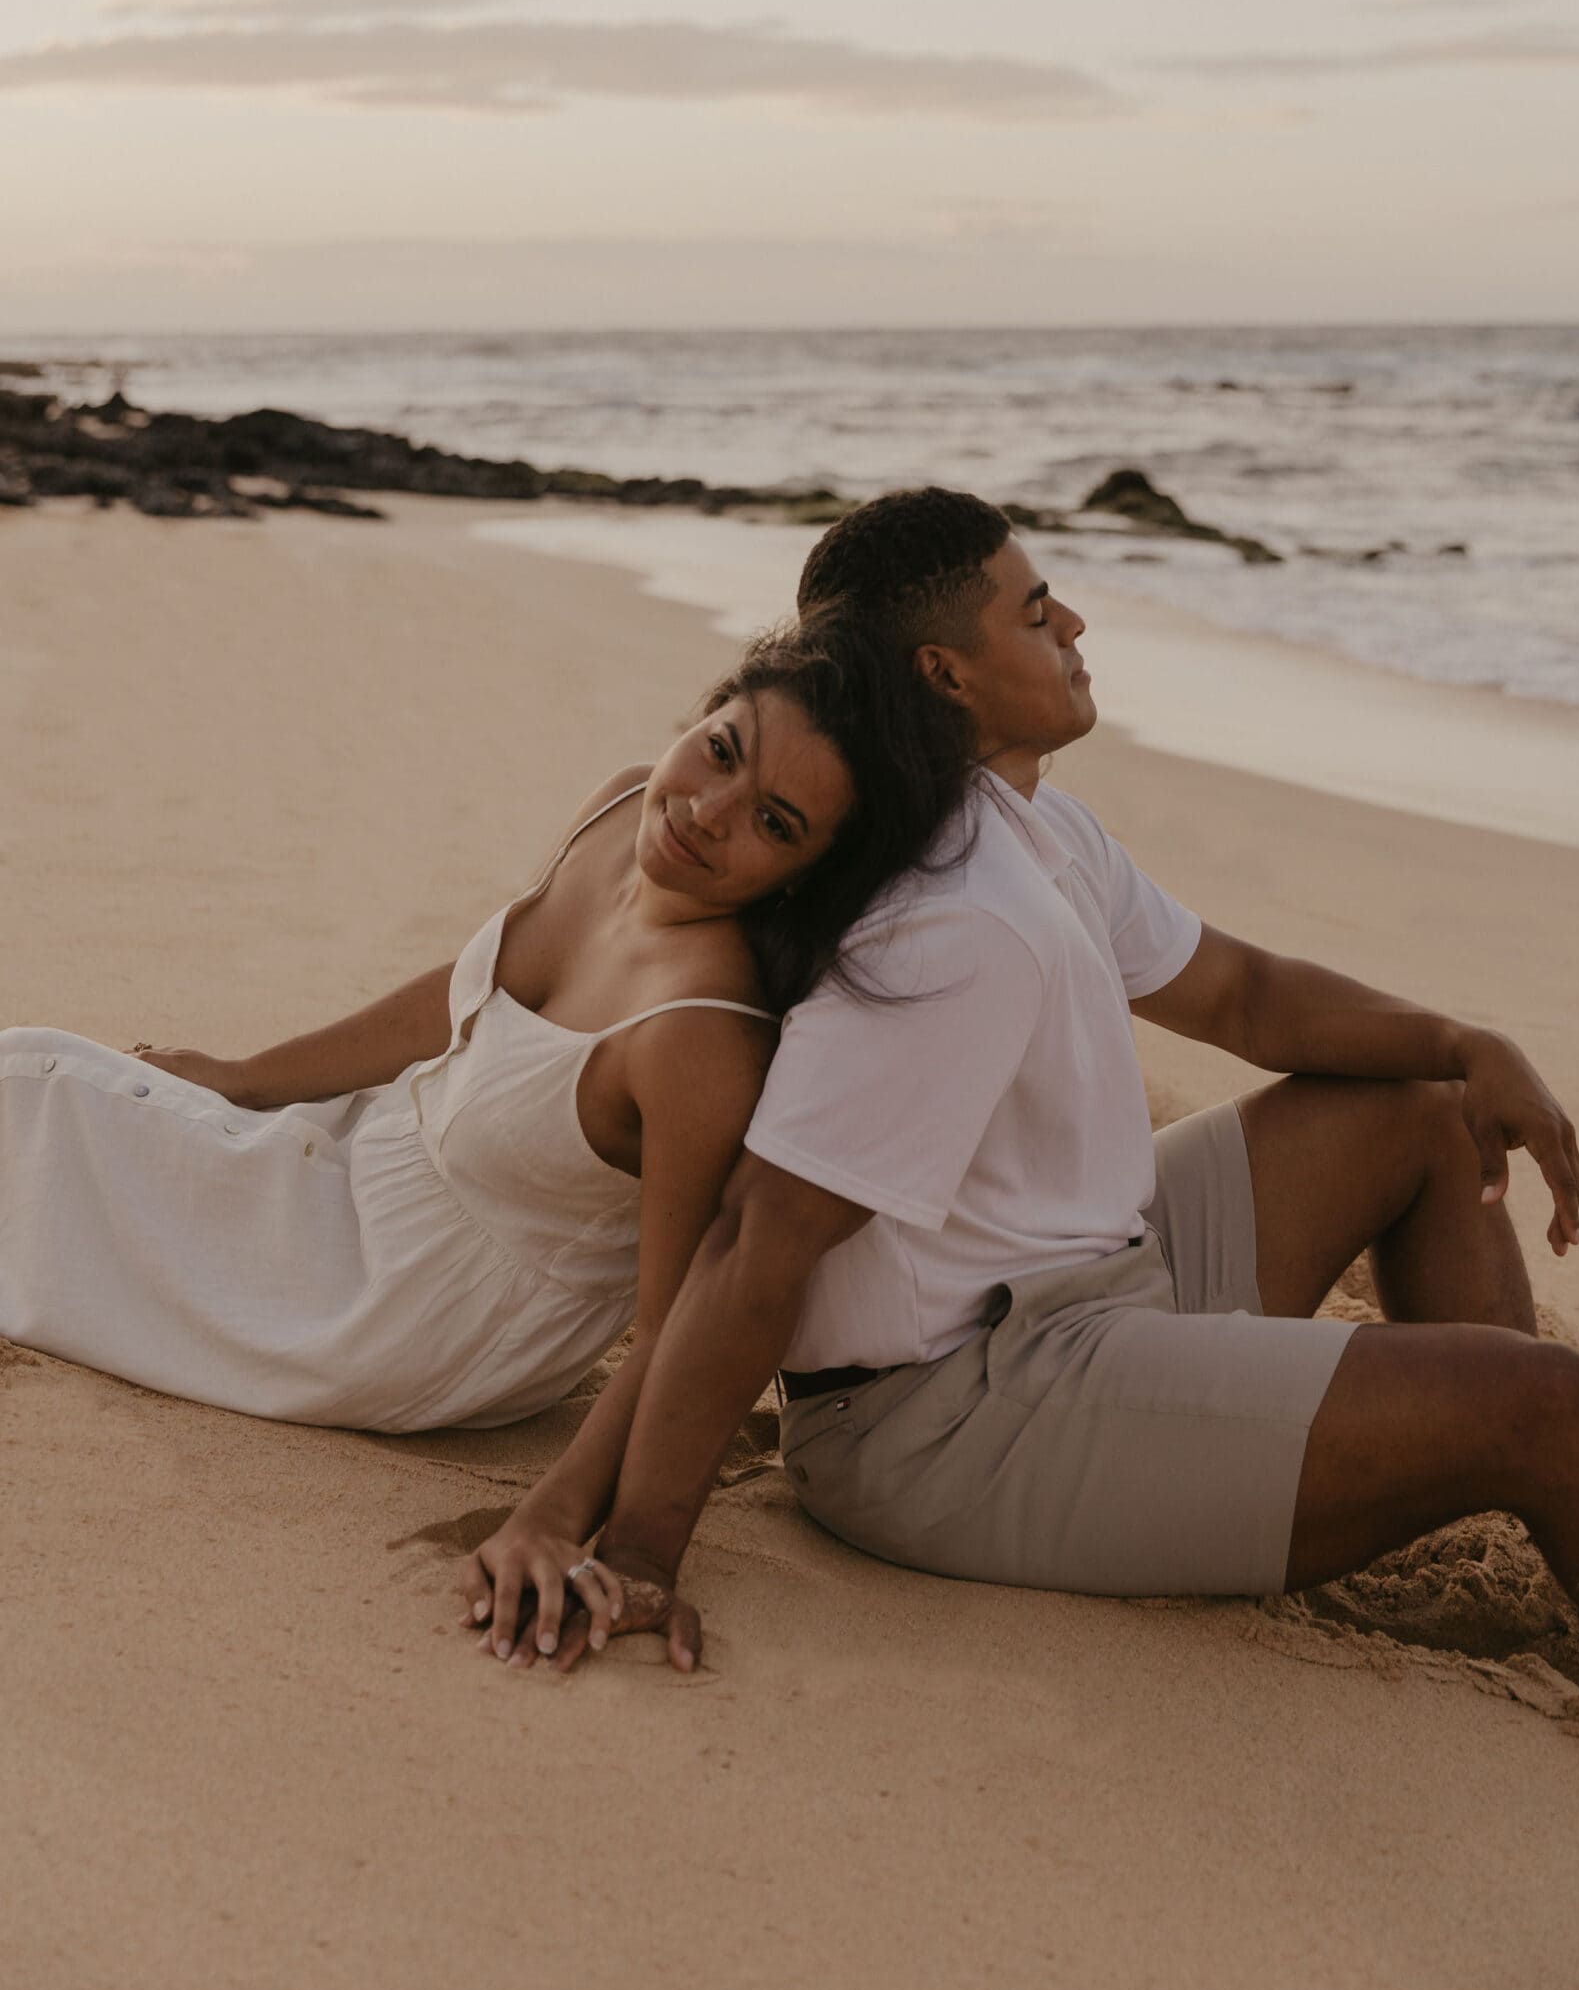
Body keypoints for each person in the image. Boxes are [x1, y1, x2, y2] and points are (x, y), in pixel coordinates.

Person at [519, 487, 1579, 1677]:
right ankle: (1533, 1459)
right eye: (1036, 614)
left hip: (1093, 1275)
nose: (1075, 623)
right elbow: (756, 1243)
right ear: (946, 675)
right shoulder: (948, 917)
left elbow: (1244, 994)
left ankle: (1514, 1477)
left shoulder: (1033, 830)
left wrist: (1464, 1042)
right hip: (950, 1415)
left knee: (1424, 1114)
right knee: (1545, 1399)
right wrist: (639, 1549)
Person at [0, 616, 970, 1613]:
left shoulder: (698, 1040)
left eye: (774, 822)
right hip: (358, 1165)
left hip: (406, 1314)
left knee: (29, 1108)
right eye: (721, 749)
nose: (709, 810)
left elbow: (674, 1326)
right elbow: (463, 996)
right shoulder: (624, 805)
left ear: (803, 874)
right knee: (28, 1076)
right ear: (705, 712)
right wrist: (251, 1076)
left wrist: (560, 1519)